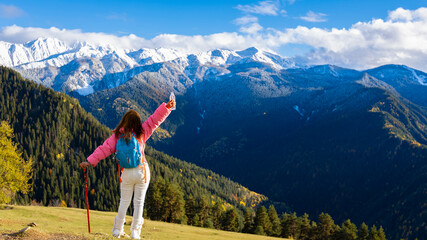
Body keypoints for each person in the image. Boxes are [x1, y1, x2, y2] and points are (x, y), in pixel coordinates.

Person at [80, 99, 175, 239]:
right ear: (137, 122)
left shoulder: (117, 137)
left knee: (124, 202)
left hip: (126, 173)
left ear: (124, 121)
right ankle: (135, 233)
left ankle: (117, 231)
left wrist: (89, 161)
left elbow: (103, 149)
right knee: (139, 203)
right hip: (141, 171)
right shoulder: (142, 132)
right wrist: (167, 107)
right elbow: (155, 119)